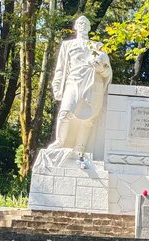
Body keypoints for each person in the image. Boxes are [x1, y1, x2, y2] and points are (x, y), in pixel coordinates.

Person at [48, 15, 112, 154]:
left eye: (86, 23)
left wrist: (100, 69)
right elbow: (60, 68)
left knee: (89, 117)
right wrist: (57, 86)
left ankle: (80, 146)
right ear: (76, 26)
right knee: (65, 112)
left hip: (93, 83)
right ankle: (60, 141)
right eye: (80, 23)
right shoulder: (67, 45)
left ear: (89, 28)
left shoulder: (97, 46)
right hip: (73, 81)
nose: (83, 25)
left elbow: (107, 71)